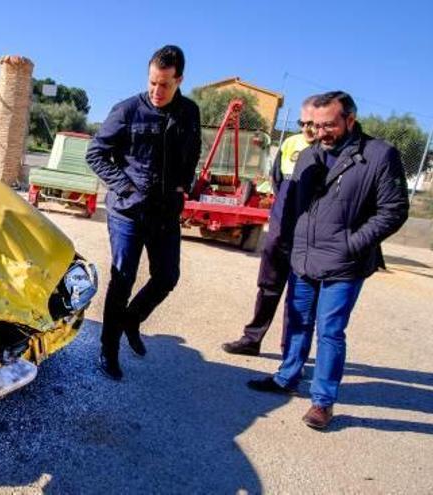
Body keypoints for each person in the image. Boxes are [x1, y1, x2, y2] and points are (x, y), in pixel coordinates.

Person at [247, 91, 409, 429]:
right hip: (304, 259)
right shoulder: (309, 155)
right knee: (297, 321)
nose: (322, 132)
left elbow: (393, 210)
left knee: (330, 332)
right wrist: (291, 242)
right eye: (316, 125)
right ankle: (287, 376)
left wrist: (354, 244)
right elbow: (291, 203)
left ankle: (322, 402)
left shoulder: (379, 156)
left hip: (346, 264)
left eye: (330, 125)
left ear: (350, 120)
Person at [86, 45, 201, 380]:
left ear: (179, 79)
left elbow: (191, 153)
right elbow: (95, 154)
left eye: (164, 84)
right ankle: (108, 350)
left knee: (167, 276)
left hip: (166, 212)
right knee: (122, 278)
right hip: (128, 212)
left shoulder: (189, 113)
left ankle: (131, 319)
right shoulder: (127, 110)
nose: (156, 91)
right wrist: (127, 190)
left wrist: (184, 183)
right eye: (152, 82)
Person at [222, 96, 317, 356]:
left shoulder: (327, 152)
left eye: (313, 123)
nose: (308, 129)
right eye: (302, 123)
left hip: (309, 238)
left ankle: (291, 353)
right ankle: (252, 340)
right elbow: (277, 182)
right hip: (280, 232)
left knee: (300, 297)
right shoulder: (290, 144)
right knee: (268, 288)